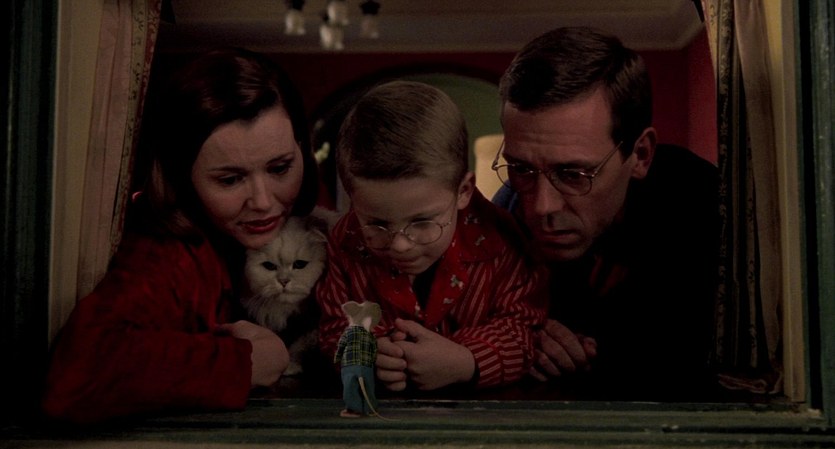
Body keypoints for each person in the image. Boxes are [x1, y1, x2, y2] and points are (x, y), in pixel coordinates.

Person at [41, 48, 320, 423]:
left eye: (280, 168)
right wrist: (246, 362)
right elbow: (77, 375)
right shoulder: (167, 252)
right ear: (182, 177)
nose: (263, 201)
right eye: (230, 179)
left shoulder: (315, 230)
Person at [493, 26, 719, 400]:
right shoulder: (505, 211)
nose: (541, 206)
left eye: (573, 174)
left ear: (640, 155)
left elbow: (682, 359)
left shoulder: (704, 206)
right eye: (521, 168)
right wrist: (512, 336)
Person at [316, 81, 547, 394]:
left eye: (422, 221)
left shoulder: (504, 240)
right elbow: (333, 328)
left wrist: (467, 361)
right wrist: (364, 356)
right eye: (377, 224)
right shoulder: (344, 241)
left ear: (463, 191)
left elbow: (524, 329)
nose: (400, 244)